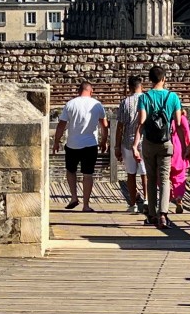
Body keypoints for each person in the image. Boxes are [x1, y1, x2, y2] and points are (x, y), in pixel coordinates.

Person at [132, 66, 189, 229]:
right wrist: (184, 146)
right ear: (164, 79)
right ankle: (163, 215)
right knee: (164, 179)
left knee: (151, 178)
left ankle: (151, 214)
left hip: (149, 142)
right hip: (166, 142)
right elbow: (178, 124)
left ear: (150, 80)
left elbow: (141, 123)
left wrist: (135, 145)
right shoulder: (173, 97)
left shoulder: (144, 98)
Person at [52, 81, 108, 212]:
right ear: (91, 91)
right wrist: (104, 141)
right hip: (90, 144)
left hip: (72, 144)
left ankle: (73, 197)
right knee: (88, 174)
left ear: (79, 91)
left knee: (71, 170)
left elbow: (61, 125)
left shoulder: (70, 104)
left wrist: (56, 141)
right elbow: (104, 126)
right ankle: (86, 205)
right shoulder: (97, 105)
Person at [114, 75, 147, 214]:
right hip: (145, 141)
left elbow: (120, 125)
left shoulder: (125, 102)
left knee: (131, 174)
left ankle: (133, 204)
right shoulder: (147, 100)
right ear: (142, 86)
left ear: (129, 87)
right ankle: (147, 200)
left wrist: (117, 145)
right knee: (145, 173)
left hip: (128, 141)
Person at [169, 112, 190, 214]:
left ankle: (168, 195)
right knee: (179, 176)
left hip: (167, 145)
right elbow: (187, 133)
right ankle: (178, 197)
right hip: (179, 147)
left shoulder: (166, 115)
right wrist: (189, 148)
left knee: (164, 175)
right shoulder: (182, 118)